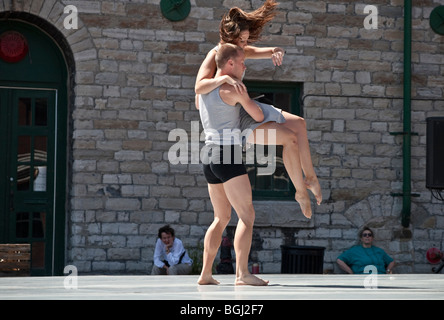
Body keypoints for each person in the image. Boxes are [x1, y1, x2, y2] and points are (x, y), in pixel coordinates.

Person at [195, 0, 321, 217]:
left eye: (245, 41)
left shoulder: (239, 50)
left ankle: (310, 178)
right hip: (235, 115)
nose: (244, 45)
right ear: (230, 38)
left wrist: (273, 50)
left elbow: (253, 51)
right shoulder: (216, 54)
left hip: (245, 103)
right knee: (288, 138)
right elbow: (199, 86)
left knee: (299, 124)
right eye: (241, 40)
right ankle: (300, 191)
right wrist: (222, 78)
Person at [197, 43, 268, 286]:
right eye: (241, 61)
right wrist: (246, 99)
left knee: (220, 218)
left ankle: (206, 274)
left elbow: (201, 100)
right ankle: (242, 274)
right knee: (247, 216)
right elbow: (258, 116)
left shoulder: (204, 88)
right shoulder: (233, 89)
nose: (245, 65)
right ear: (229, 64)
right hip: (227, 154)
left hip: (208, 153)